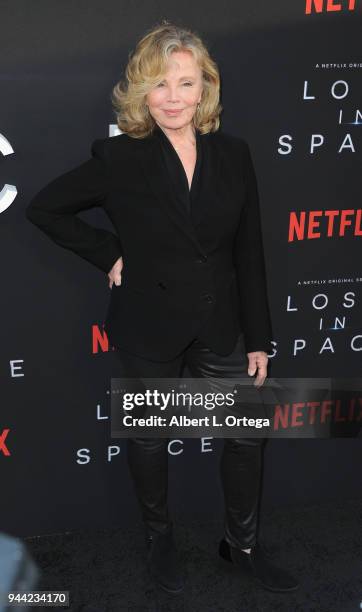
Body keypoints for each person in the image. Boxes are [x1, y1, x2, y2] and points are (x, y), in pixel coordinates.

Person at [25, 21, 299, 595]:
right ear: (141, 93)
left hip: (222, 323)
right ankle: (159, 539)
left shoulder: (234, 154)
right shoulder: (120, 157)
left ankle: (240, 545)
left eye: (186, 82)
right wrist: (109, 255)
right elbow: (45, 209)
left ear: (205, 89)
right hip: (148, 324)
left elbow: (248, 250)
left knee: (249, 433)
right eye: (159, 84)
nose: (173, 97)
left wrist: (259, 337)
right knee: (148, 440)